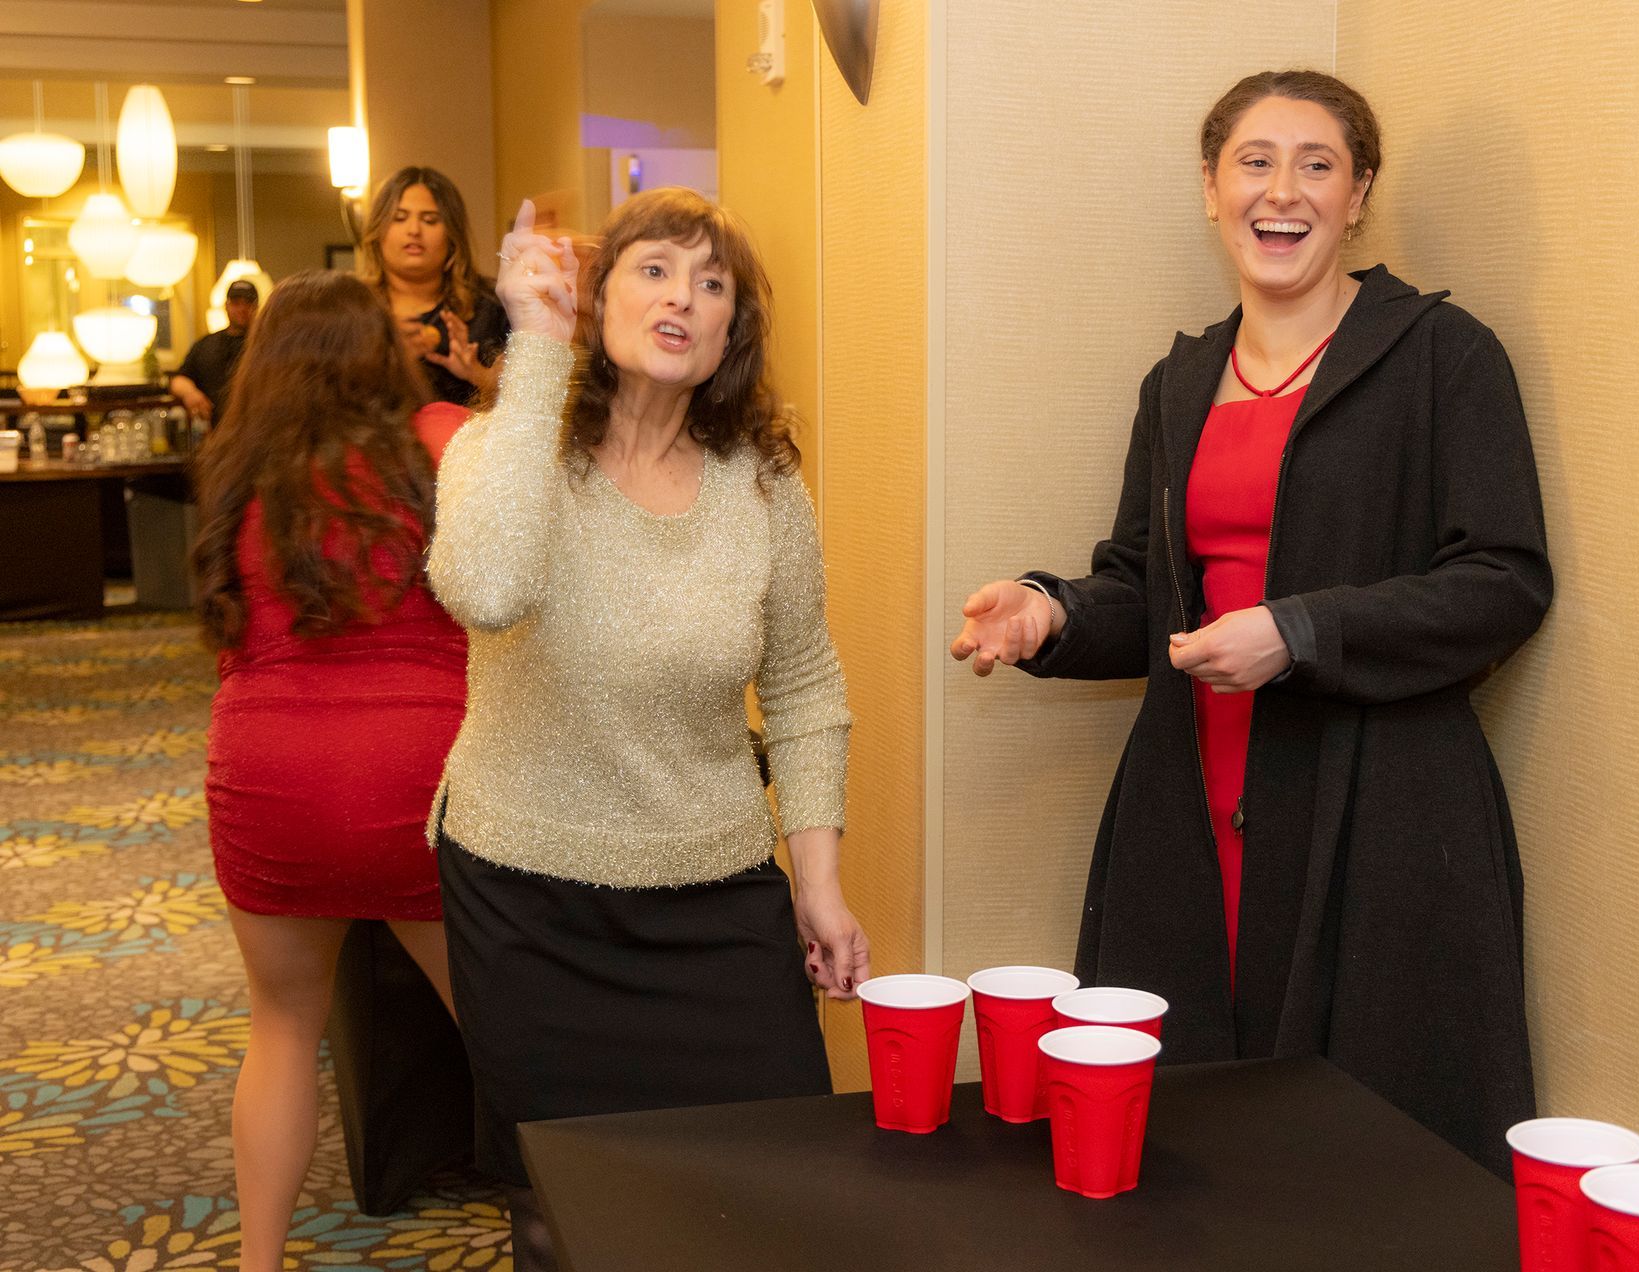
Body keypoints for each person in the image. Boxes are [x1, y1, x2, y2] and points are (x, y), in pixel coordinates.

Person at [949, 69, 1552, 1176]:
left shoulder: (1442, 358)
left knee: (1357, 1162)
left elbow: (1504, 583)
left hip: (1378, 809)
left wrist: (1300, 633)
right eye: (1256, 162)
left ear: (1360, 191)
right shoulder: (1177, 383)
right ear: (1212, 188)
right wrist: (1051, 612)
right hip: (1193, 797)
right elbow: (1144, 589)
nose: (1285, 191)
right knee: (1193, 1146)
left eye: (1318, 164)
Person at [428, 189, 869, 1267]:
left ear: (731, 332)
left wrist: (818, 884)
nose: (684, 296)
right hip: (528, 899)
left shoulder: (764, 489)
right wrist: (536, 348)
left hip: (716, 903)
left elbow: (805, 686)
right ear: (597, 296)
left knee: (769, 1191)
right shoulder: (500, 449)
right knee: (565, 1212)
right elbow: (485, 587)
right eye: (656, 269)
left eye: (712, 282)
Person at [190, 270, 470, 1271]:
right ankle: (561, 1235)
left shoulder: (236, 467)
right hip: (414, 785)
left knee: (279, 1029)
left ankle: (256, 1264)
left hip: (266, 779)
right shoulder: (435, 442)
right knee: (504, 1037)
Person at [358, 165, 508, 406]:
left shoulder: (492, 306)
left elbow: (529, 407)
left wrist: (479, 375)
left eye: (429, 220)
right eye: (399, 218)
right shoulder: (352, 308)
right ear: (378, 231)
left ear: (452, 235)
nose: (414, 230)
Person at [168, 279, 258, 424]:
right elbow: (178, 379)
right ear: (226, 306)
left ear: (256, 307)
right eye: (236, 303)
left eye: (247, 303)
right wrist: (191, 394)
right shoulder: (206, 344)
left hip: (255, 429)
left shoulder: (266, 344)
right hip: (213, 429)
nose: (242, 308)